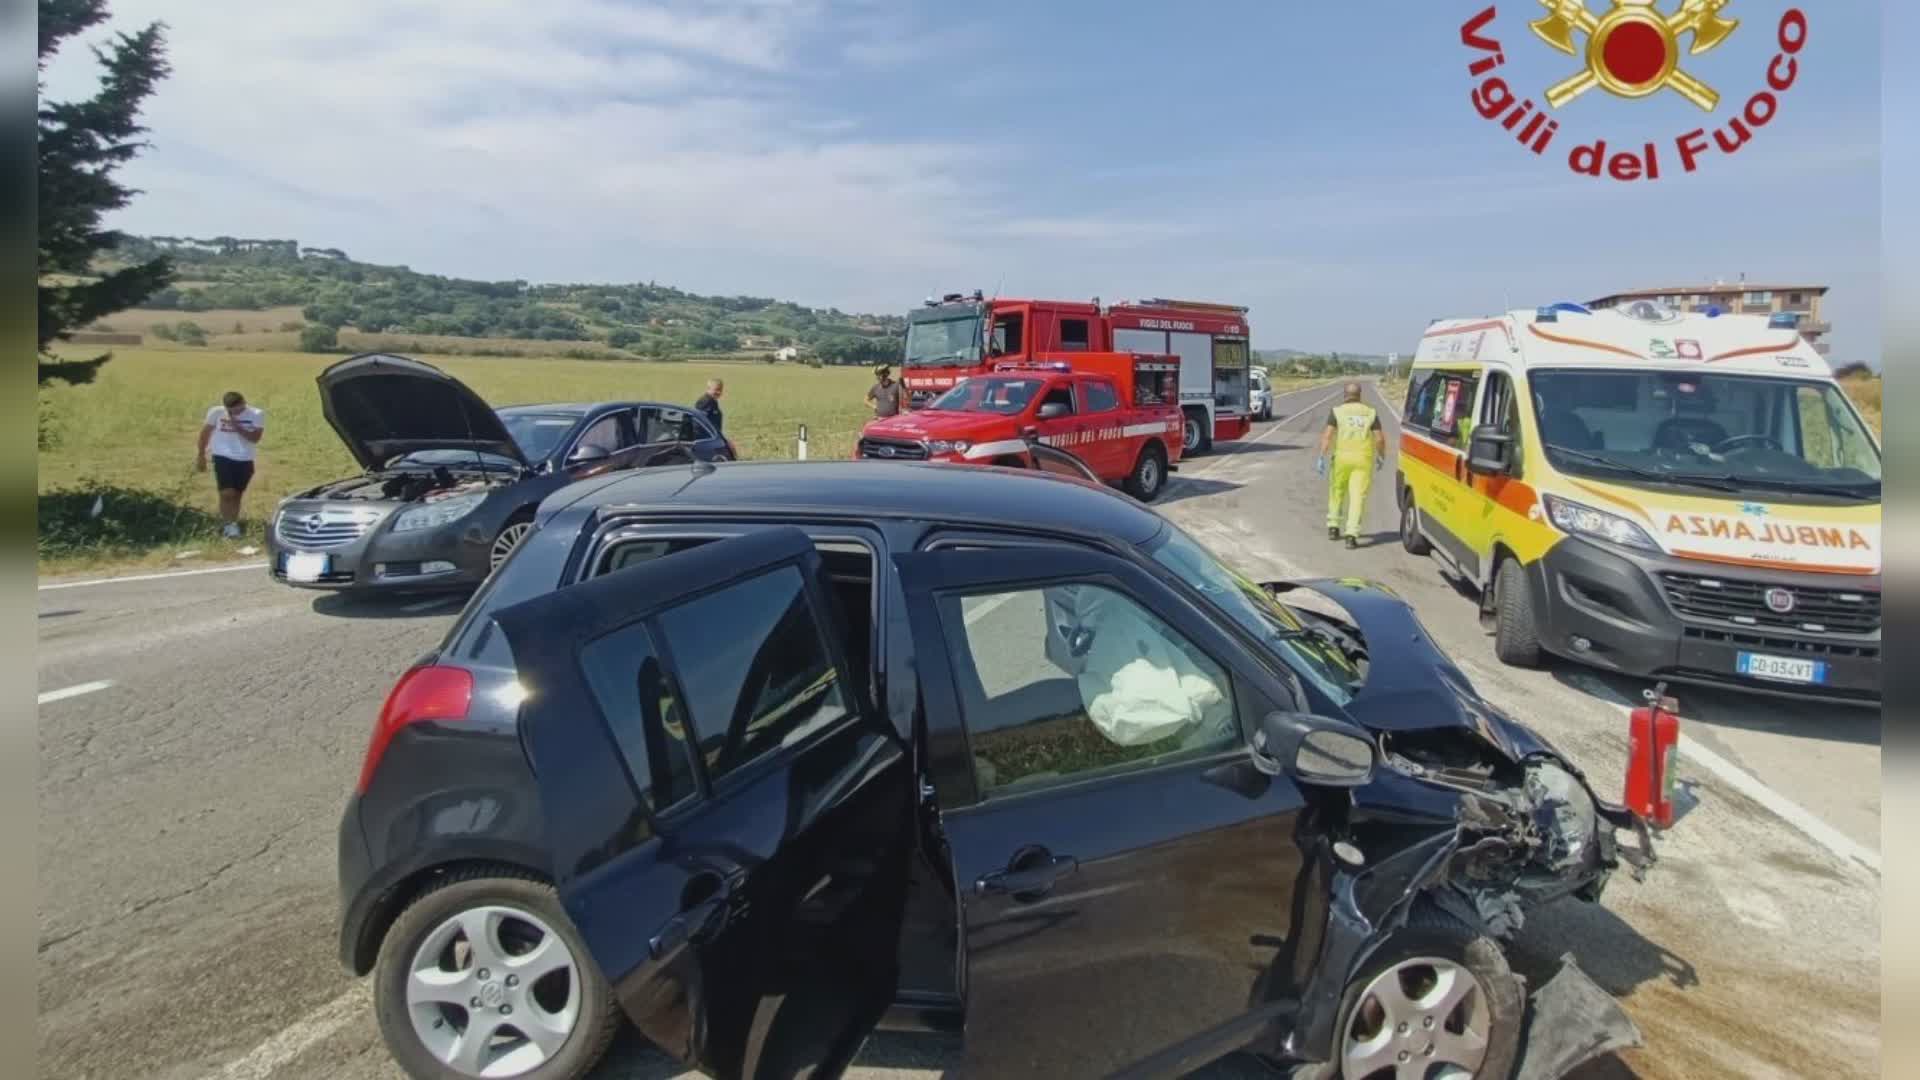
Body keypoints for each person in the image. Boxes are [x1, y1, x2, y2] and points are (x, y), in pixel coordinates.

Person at [1316, 382, 1385, 550]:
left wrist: (1321, 456)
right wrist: (1381, 456)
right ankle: (1351, 536)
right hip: (1362, 460)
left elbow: (1327, 435)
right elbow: (1379, 439)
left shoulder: (1337, 411)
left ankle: (1333, 527)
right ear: (1360, 395)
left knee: (1336, 491)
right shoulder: (1370, 413)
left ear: (1345, 395)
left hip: (1341, 458)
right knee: (1357, 498)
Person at [197, 391, 265, 539]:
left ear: (243, 403)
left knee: (237, 494)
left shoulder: (256, 414)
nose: (233, 412)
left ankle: (231, 523)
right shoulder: (216, 412)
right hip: (222, 455)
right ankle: (228, 525)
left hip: (244, 458)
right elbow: (205, 433)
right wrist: (201, 454)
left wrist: (236, 425)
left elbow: (255, 438)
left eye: (237, 409)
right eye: (229, 409)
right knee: (227, 493)